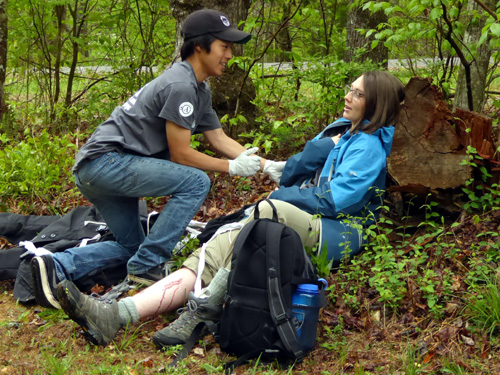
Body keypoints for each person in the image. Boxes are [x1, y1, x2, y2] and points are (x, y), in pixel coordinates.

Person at [56, 70, 406, 349]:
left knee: (266, 215)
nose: (348, 95)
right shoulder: (342, 133)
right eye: (350, 88)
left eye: (358, 93)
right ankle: (117, 315)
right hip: (305, 218)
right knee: (216, 245)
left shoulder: (369, 147)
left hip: (340, 231)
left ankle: (203, 309)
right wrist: (321, 148)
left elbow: (335, 203)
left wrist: (271, 203)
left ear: (375, 104)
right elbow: (295, 173)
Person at [28, 8, 285, 309]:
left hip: (97, 168)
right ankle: (148, 267)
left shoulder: (198, 88)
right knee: (195, 182)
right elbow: (181, 154)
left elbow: (218, 138)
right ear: (200, 47)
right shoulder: (181, 86)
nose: (230, 54)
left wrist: (267, 167)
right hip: (107, 163)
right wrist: (230, 168)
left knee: (130, 247)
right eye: (224, 46)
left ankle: (54, 265)